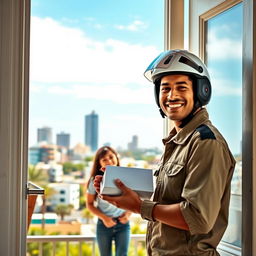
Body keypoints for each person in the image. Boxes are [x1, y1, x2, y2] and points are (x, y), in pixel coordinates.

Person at [94, 50, 236, 255]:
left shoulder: (206, 143)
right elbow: (170, 199)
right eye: (165, 88)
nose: (171, 96)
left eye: (181, 87)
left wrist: (139, 207)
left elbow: (197, 217)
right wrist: (121, 195)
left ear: (201, 91)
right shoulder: (177, 143)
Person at [86, 146, 131, 256]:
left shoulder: (127, 177)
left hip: (123, 224)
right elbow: (90, 204)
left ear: (116, 157)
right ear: (99, 163)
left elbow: (135, 200)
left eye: (111, 157)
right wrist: (105, 218)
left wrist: (128, 214)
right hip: (104, 224)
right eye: (104, 159)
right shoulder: (95, 181)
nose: (109, 161)